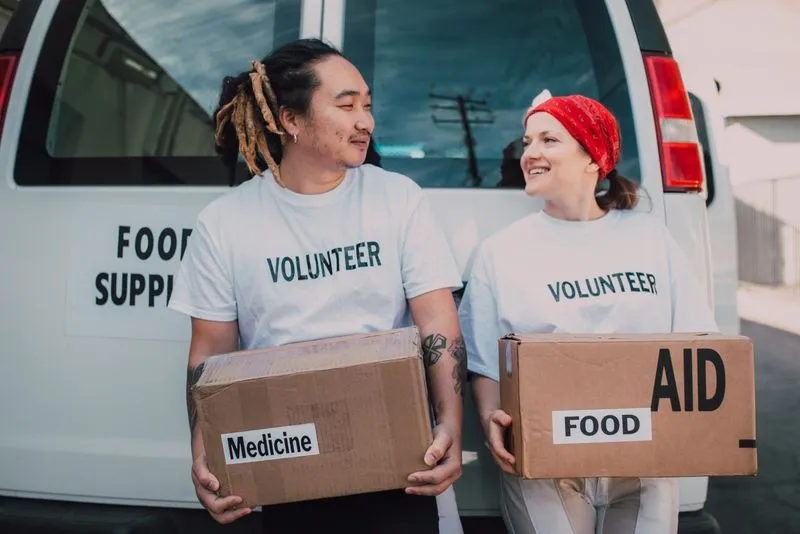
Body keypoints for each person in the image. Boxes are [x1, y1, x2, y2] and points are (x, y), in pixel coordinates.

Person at [169, 38, 466, 533]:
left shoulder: (398, 198)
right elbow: (210, 353)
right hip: (286, 455)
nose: (365, 121)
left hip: (399, 454)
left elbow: (436, 317)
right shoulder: (225, 222)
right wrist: (204, 454)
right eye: (347, 106)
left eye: (367, 106)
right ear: (290, 120)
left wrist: (450, 424)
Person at [458, 94, 719, 534]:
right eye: (527, 142)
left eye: (548, 139)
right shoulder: (501, 252)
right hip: (544, 461)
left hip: (643, 457)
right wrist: (489, 420)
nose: (530, 154)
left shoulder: (649, 238)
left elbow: (697, 342)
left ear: (592, 158)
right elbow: (484, 361)